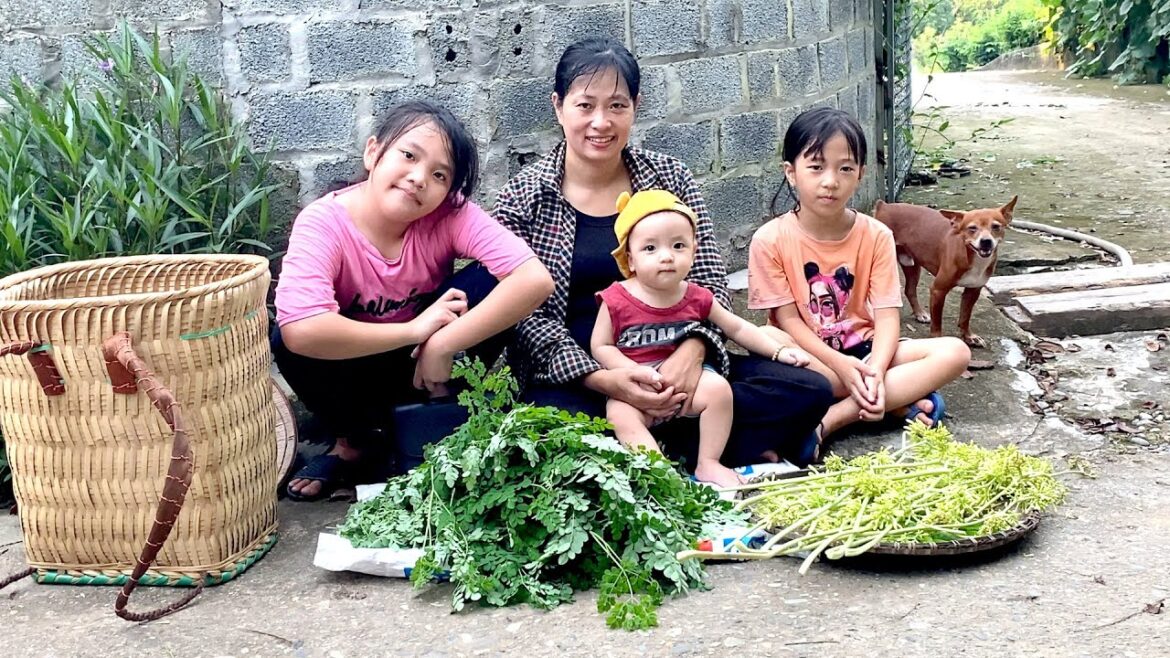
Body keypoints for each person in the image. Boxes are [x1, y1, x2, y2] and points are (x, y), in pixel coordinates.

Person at [493, 37, 834, 468]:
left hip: (676, 360)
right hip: (577, 377)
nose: (601, 122)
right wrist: (607, 379)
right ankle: (700, 448)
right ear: (558, 106)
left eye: (617, 105)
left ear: (636, 105)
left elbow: (710, 280)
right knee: (544, 435)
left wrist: (691, 352)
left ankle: (656, 451)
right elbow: (524, 321)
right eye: (585, 106)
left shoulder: (669, 177)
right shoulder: (524, 198)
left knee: (810, 388)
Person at [274, 101, 554, 500]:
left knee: (490, 281)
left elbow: (534, 279)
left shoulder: (450, 215)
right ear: (374, 152)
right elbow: (302, 329)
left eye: (440, 174)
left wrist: (441, 342)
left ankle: (433, 429)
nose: (419, 178)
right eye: (408, 155)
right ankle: (353, 445)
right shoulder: (324, 222)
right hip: (352, 370)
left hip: (425, 369)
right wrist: (412, 331)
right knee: (287, 341)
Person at [747, 107, 971, 463]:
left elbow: (885, 317)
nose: (830, 180)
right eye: (816, 166)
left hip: (868, 351)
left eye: (845, 168)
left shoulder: (877, 234)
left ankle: (834, 418)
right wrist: (842, 366)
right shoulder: (770, 239)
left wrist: (876, 370)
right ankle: (899, 401)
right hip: (810, 359)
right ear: (791, 173)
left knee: (956, 353)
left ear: (861, 175)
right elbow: (787, 320)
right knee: (768, 343)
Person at [592, 190, 812, 487]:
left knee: (720, 391)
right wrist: (627, 371)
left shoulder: (697, 296)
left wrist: (779, 352)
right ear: (630, 259)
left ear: (694, 251)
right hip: (635, 384)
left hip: (690, 383)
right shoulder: (616, 298)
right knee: (619, 415)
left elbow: (738, 328)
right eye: (650, 249)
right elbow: (600, 345)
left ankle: (708, 462)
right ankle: (658, 472)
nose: (666, 256)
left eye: (678, 245)